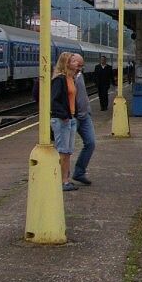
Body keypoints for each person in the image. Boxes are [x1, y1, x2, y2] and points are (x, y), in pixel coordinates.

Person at [50, 51, 79, 192]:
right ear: (66, 63)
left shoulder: (70, 78)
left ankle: (66, 180)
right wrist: (64, 115)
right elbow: (54, 101)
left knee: (68, 151)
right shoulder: (59, 79)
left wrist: (73, 115)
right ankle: (61, 181)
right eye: (73, 61)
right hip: (62, 120)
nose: (77, 63)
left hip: (71, 119)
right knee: (62, 151)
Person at [71, 54, 96, 186]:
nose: (80, 68)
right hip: (73, 116)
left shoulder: (80, 75)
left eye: (81, 66)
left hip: (85, 115)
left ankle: (79, 172)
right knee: (66, 148)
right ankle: (61, 176)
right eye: (78, 65)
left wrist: (87, 110)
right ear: (70, 63)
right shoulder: (65, 78)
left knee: (91, 143)